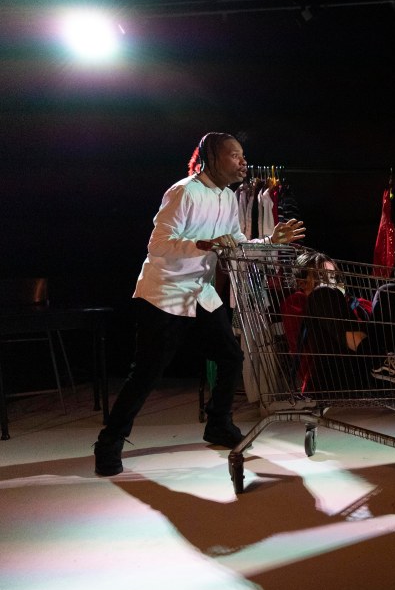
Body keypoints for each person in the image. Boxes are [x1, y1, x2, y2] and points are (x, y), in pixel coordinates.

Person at [93, 132, 306, 476]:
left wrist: (269, 241)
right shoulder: (183, 192)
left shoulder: (229, 197)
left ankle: (218, 424)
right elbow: (158, 244)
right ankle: (108, 443)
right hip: (164, 292)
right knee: (146, 373)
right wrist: (204, 244)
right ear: (212, 159)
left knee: (230, 356)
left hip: (200, 291)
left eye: (243, 155)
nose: (243, 162)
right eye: (234, 155)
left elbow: (235, 245)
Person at [282, 249, 395, 391]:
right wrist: (327, 300)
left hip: (367, 370)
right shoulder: (297, 302)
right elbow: (304, 339)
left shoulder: (352, 302)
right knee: (321, 294)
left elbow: (378, 327)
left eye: (333, 276)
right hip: (332, 374)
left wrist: (346, 304)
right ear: (301, 282)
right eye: (321, 276)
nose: (330, 282)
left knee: (388, 290)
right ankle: (378, 361)